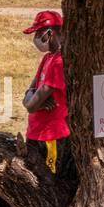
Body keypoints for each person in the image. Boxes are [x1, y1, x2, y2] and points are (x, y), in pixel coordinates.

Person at [22, 10, 72, 179]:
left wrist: (33, 100)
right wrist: (34, 98)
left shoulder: (59, 62)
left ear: (49, 34)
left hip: (52, 135)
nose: (35, 39)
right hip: (36, 132)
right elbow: (29, 96)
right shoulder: (48, 58)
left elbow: (30, 105)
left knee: (48, 182)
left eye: (38, 33)